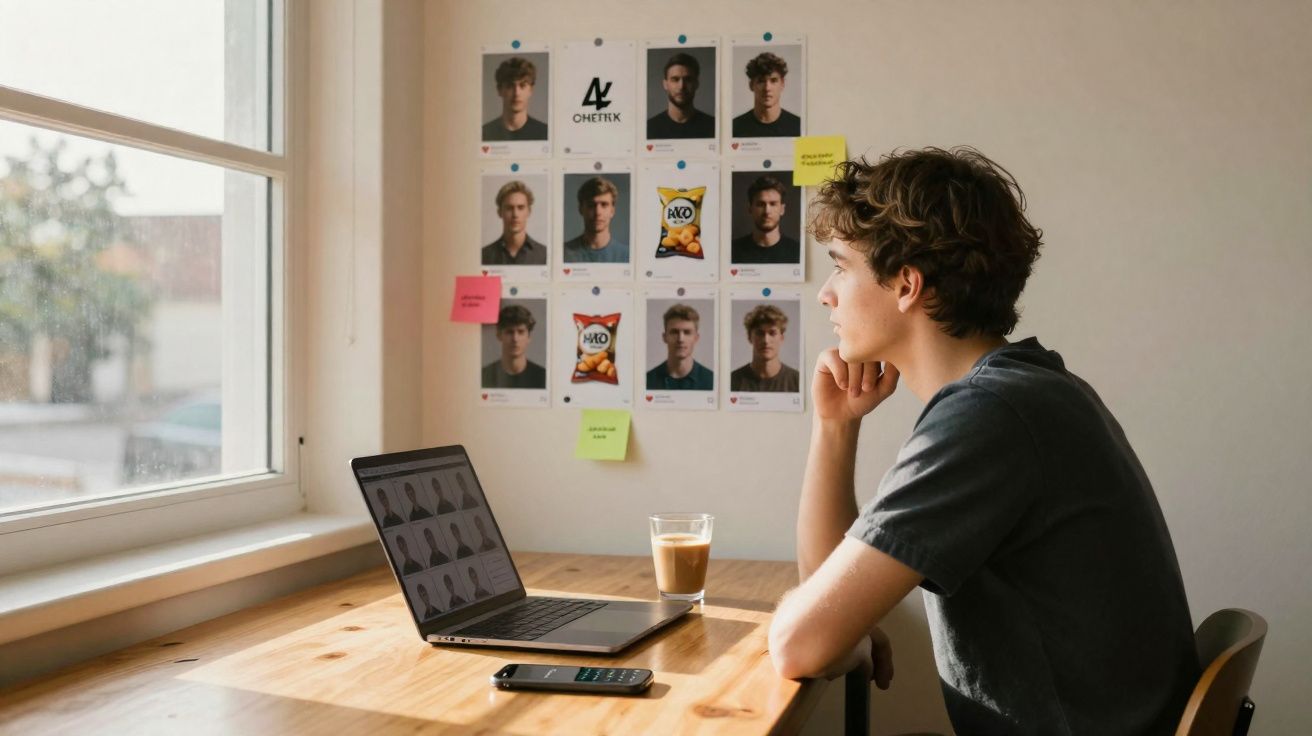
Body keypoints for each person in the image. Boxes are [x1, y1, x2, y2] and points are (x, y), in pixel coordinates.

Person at [765, 147, 1200, 735]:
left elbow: (800, 644)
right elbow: (827, 619)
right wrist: (836, 426)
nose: (826, 293)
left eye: (841, 267)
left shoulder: (990, 416)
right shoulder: (1024, 390)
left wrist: (824, 628)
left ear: (907, 286)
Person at [730, 304, 800, 392]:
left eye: (772, 333)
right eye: (759, 333)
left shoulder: (798, 381)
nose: (766, 340)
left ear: (781, 338)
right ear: (749, 337)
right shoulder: (732, 381)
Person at [732, 175, 800, 264]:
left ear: (782, 209)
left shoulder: (797, 252)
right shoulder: (732, 250)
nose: (767, 211)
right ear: (750, 208)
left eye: (773, 204)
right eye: (760, 204)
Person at [646, 52, 715, 139]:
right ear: (665, 84)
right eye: (675, 79)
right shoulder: (649, 129)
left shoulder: (714, 126)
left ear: (696, 84)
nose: (681, 86)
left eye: (688, 80)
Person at [732, 51, 801, 138]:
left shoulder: (798, 127)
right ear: (751, 85)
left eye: (773, 80)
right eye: (761, 81)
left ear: (782, 84)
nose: (767, 88)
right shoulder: (734, 128)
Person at [646, 303, 714, 391]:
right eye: (674, 332)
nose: (680, 339)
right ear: (664, 337)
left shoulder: (711, 381)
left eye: (687, 332)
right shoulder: (647, 381)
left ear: (696, 338)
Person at [563, 176, 628, 263]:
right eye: (591, 205)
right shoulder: (563, 253)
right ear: (581, 209)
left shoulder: (626, 255)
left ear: (612, 211)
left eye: (604, 205)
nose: (598, 212)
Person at [482, 56, 548, 141]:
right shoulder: (485, 133)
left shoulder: (544, 133)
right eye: (510, 86)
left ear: (531, 90)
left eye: (522, 85)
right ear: (499, 90)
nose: (516, 93)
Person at [481, 180, 547, 266]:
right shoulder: (484, 255)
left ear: (529, 212)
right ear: (499, 212)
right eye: (509, 208)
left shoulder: (544, 255)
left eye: (521, 208)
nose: (515, 214)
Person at [482, 305, 547, 389]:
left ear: (529, 337)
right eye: (509, 332)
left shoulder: (543, 377)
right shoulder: (484, 375)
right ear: (499, 335)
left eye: (521, 332)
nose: (515, 339)